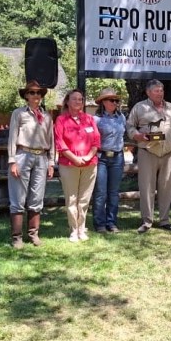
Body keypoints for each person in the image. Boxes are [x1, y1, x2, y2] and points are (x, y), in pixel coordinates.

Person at [126, 79, 171, 234]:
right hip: (147, 152)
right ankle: (147, 221)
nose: (160, 93)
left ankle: (164, 220)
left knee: (167, 187)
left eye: (162, 90)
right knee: (147, 187)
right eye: (157, 90)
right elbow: (129, 126)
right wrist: (138, 135)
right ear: (148, 92)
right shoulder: (139, 107)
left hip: (168, 154)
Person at [7, 80, 55, 248]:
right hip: (23, 155)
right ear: (26, 95)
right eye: (32, 92)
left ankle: (33, 234)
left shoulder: (47, 116)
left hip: (41, 157)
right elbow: (12, 137)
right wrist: (12, 160)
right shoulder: (19, 114)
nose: (36, 96)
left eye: (39, 93)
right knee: (18, 197)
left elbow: (52, 140)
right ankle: (17, 237)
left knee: (37, 196)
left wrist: (51, 162)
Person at [55, 89, 100, 242]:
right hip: (69, 164)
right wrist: (74, 158)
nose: (78, 102)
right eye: (74, 99)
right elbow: (59, 143)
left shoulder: (89, 119)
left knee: (84, 199)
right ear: (67, 101)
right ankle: (73, 230)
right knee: (72, 199)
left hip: (90, 164)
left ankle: (82, 228)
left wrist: (88, 156)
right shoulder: (61, 120)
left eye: (80, 99)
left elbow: (96, 141)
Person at [92, 88, 126, 234]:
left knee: (113, 192)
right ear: (103, 102)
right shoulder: (96, 119)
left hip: (118, 157)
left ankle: (111, 222)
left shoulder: (122, 118)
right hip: (102, 158)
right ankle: (99, 223)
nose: (114, 103)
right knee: (100, 192)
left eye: (116, 100)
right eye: (111, 100)